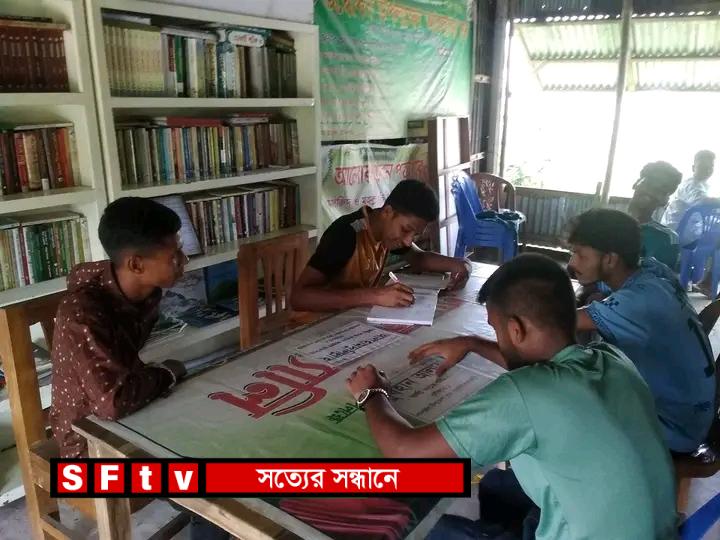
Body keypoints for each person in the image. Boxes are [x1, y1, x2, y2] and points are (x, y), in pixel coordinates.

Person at [347, 254, 677, 540]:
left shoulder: (526, 394)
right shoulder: (610, 358)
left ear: (516, 329)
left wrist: (372, 393)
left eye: (495, 328)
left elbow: (404, 452)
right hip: (651, 530)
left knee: (423, 527)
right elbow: (546, 371)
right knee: (495, 483)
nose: (498, 337)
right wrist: (473, 343)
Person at [49, 197, 227, 540]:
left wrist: (157, 377)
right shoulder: (82, 311)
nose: (184, 261)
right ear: (136, 264)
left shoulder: (142, 290)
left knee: (223, 431)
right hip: (87, 446)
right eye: (174, 255)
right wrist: (168, 372)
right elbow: (112, 404)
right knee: (210, 481)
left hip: (133, 416)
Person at [568, 209, 716, 453]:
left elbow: (559, 322)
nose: (572, 264)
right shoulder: (652, 271)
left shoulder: (636, 302)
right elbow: (600, 290)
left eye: (580, 255)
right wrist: (594, 296)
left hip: (673, 427)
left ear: (610, 259)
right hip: (692, 412)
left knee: (565, 401)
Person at [290, 179, 471, 313]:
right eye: (406, 230)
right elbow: (299, 298)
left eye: (414, 234)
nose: (408, 241)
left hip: (351, 318)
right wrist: (375, 295)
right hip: (315, 324)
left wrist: (460, 264)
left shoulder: (387, 232)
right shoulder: (346, 234)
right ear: (387, 212)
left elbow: (419, 258)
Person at [628, 161, 683, 268]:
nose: (650, 191)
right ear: (636, 183)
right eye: (649, 183)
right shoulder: (604, 223)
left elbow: (660, 276)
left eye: (660, 190)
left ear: (665, 200)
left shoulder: (666, 239)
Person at [662, 149, 716, 232]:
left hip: (687, 230)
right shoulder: (690, 184)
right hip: (674, 232)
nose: (707, 170)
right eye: (703, 167)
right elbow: (702, 201)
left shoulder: (703, 185)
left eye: (710, 167)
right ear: (693, 168)